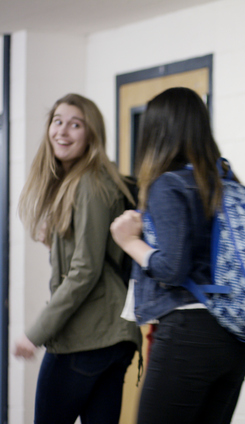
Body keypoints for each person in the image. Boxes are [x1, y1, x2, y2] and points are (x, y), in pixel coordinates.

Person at [109, 87, 245, 424]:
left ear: (156, 133)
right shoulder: (225, 181)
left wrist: (129, 241)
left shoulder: (167, 185)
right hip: (232, 337)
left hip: (188, 334)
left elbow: (172, 268)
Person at [14, 93, 143, 424]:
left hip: (86, 336)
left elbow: (85, 270)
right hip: (112, 335)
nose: (63, 131)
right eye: (58, 121)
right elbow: (91, 256)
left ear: (91, 135)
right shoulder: (84, 181)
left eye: (76, 124)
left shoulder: (88, 182)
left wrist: (37, 332)